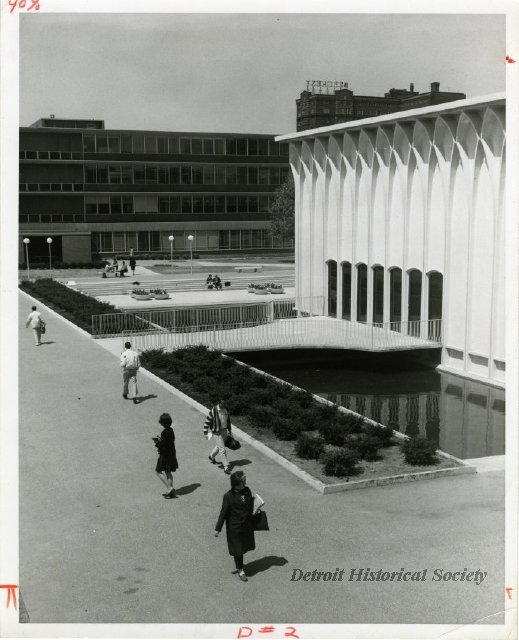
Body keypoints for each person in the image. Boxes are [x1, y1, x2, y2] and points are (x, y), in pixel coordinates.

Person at [214, 471, 255, 582]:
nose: (245, 483)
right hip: (235, 528)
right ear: (237, 484)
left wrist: (256, 505)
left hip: (246, 525)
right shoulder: (228, 496)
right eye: (243, 481)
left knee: (245, 545)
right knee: (238, 549)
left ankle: (240, 564)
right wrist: (218, 529)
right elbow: (223, 513)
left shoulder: (247, 491)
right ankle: (240, 569)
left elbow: (250, 504)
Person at [153, 413, 178, 499]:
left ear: (162, 423)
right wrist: (161, 440)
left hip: (165, 455)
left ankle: (170, 488)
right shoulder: (171, 430)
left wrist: (157, 442)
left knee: (158, 471)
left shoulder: (164, 432)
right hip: (172, 454)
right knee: (168, 472)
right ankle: (171, 491)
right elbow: (170, 441)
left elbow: (163, 446)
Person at [204, 396, 232, 474]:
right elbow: (207, 422)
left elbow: (228, 421)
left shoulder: (225, 410)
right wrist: (205, 432)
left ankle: (211, 456)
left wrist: (229, 430)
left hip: (224, 431)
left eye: (225, 404)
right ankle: (226, 467)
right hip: (217, 432)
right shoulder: (213, 411)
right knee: (222, 449)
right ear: (219, 403)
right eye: (222, 403)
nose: (224, 405)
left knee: (220, 446)